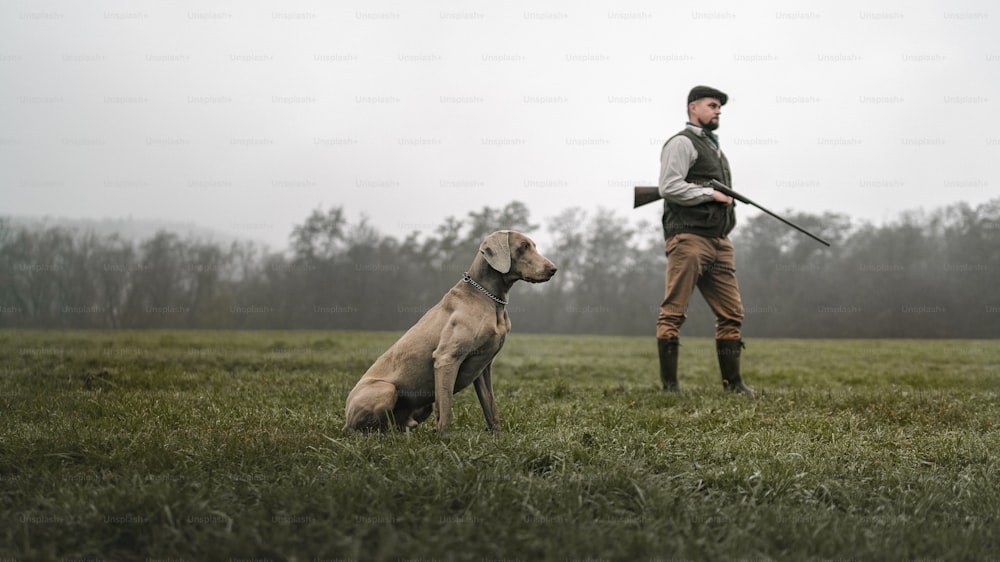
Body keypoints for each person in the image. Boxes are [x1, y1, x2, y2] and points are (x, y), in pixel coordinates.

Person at [656, 85, 754, 396]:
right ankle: (670, 389)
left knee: (732, 313)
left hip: (719, 241)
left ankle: (734, 385)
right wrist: (709, 193)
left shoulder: (716, 150)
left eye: (719, 107)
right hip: (688, 238)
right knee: (674, 312)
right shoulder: (681, 143)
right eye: (712, 105)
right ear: (693, 108)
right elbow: (669, 187)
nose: (718, 110)